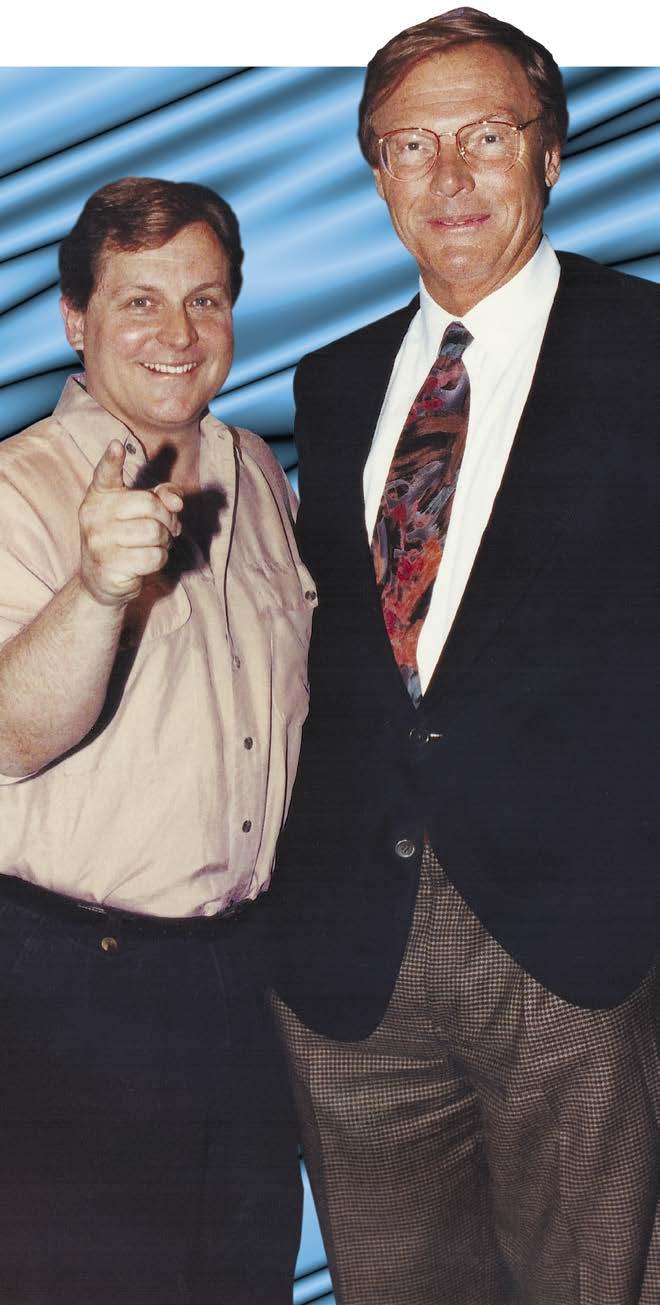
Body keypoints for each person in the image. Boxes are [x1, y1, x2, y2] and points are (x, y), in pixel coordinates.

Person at [270, 9, 659, 1305]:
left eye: (484, 136)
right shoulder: (331, 387)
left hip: (584, 947)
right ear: (376, 172)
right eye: (409, 145)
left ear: (550, 151)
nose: (447, 177)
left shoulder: (647, 349)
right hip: (352, 963)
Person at [0, 175, 316, 1305]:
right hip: (73, 992)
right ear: (74, 320)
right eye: (139, 301)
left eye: (205, 300)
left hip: (241, 982)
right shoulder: (18, 490)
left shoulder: (257, 474)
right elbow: (9, 738)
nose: (178, 334)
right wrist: (95, 588)